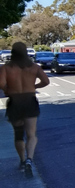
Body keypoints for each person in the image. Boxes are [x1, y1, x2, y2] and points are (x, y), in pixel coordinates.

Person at [0, 42, 50, 177]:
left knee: (18, 133)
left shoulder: (6, 68)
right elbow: (46, 81)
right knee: (31, 134)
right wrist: (34, 87)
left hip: (15, 101)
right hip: (29, 100)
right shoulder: (34, 67)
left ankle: (22, 161)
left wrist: (7, 90)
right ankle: (29, 159)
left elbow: (1, 83)